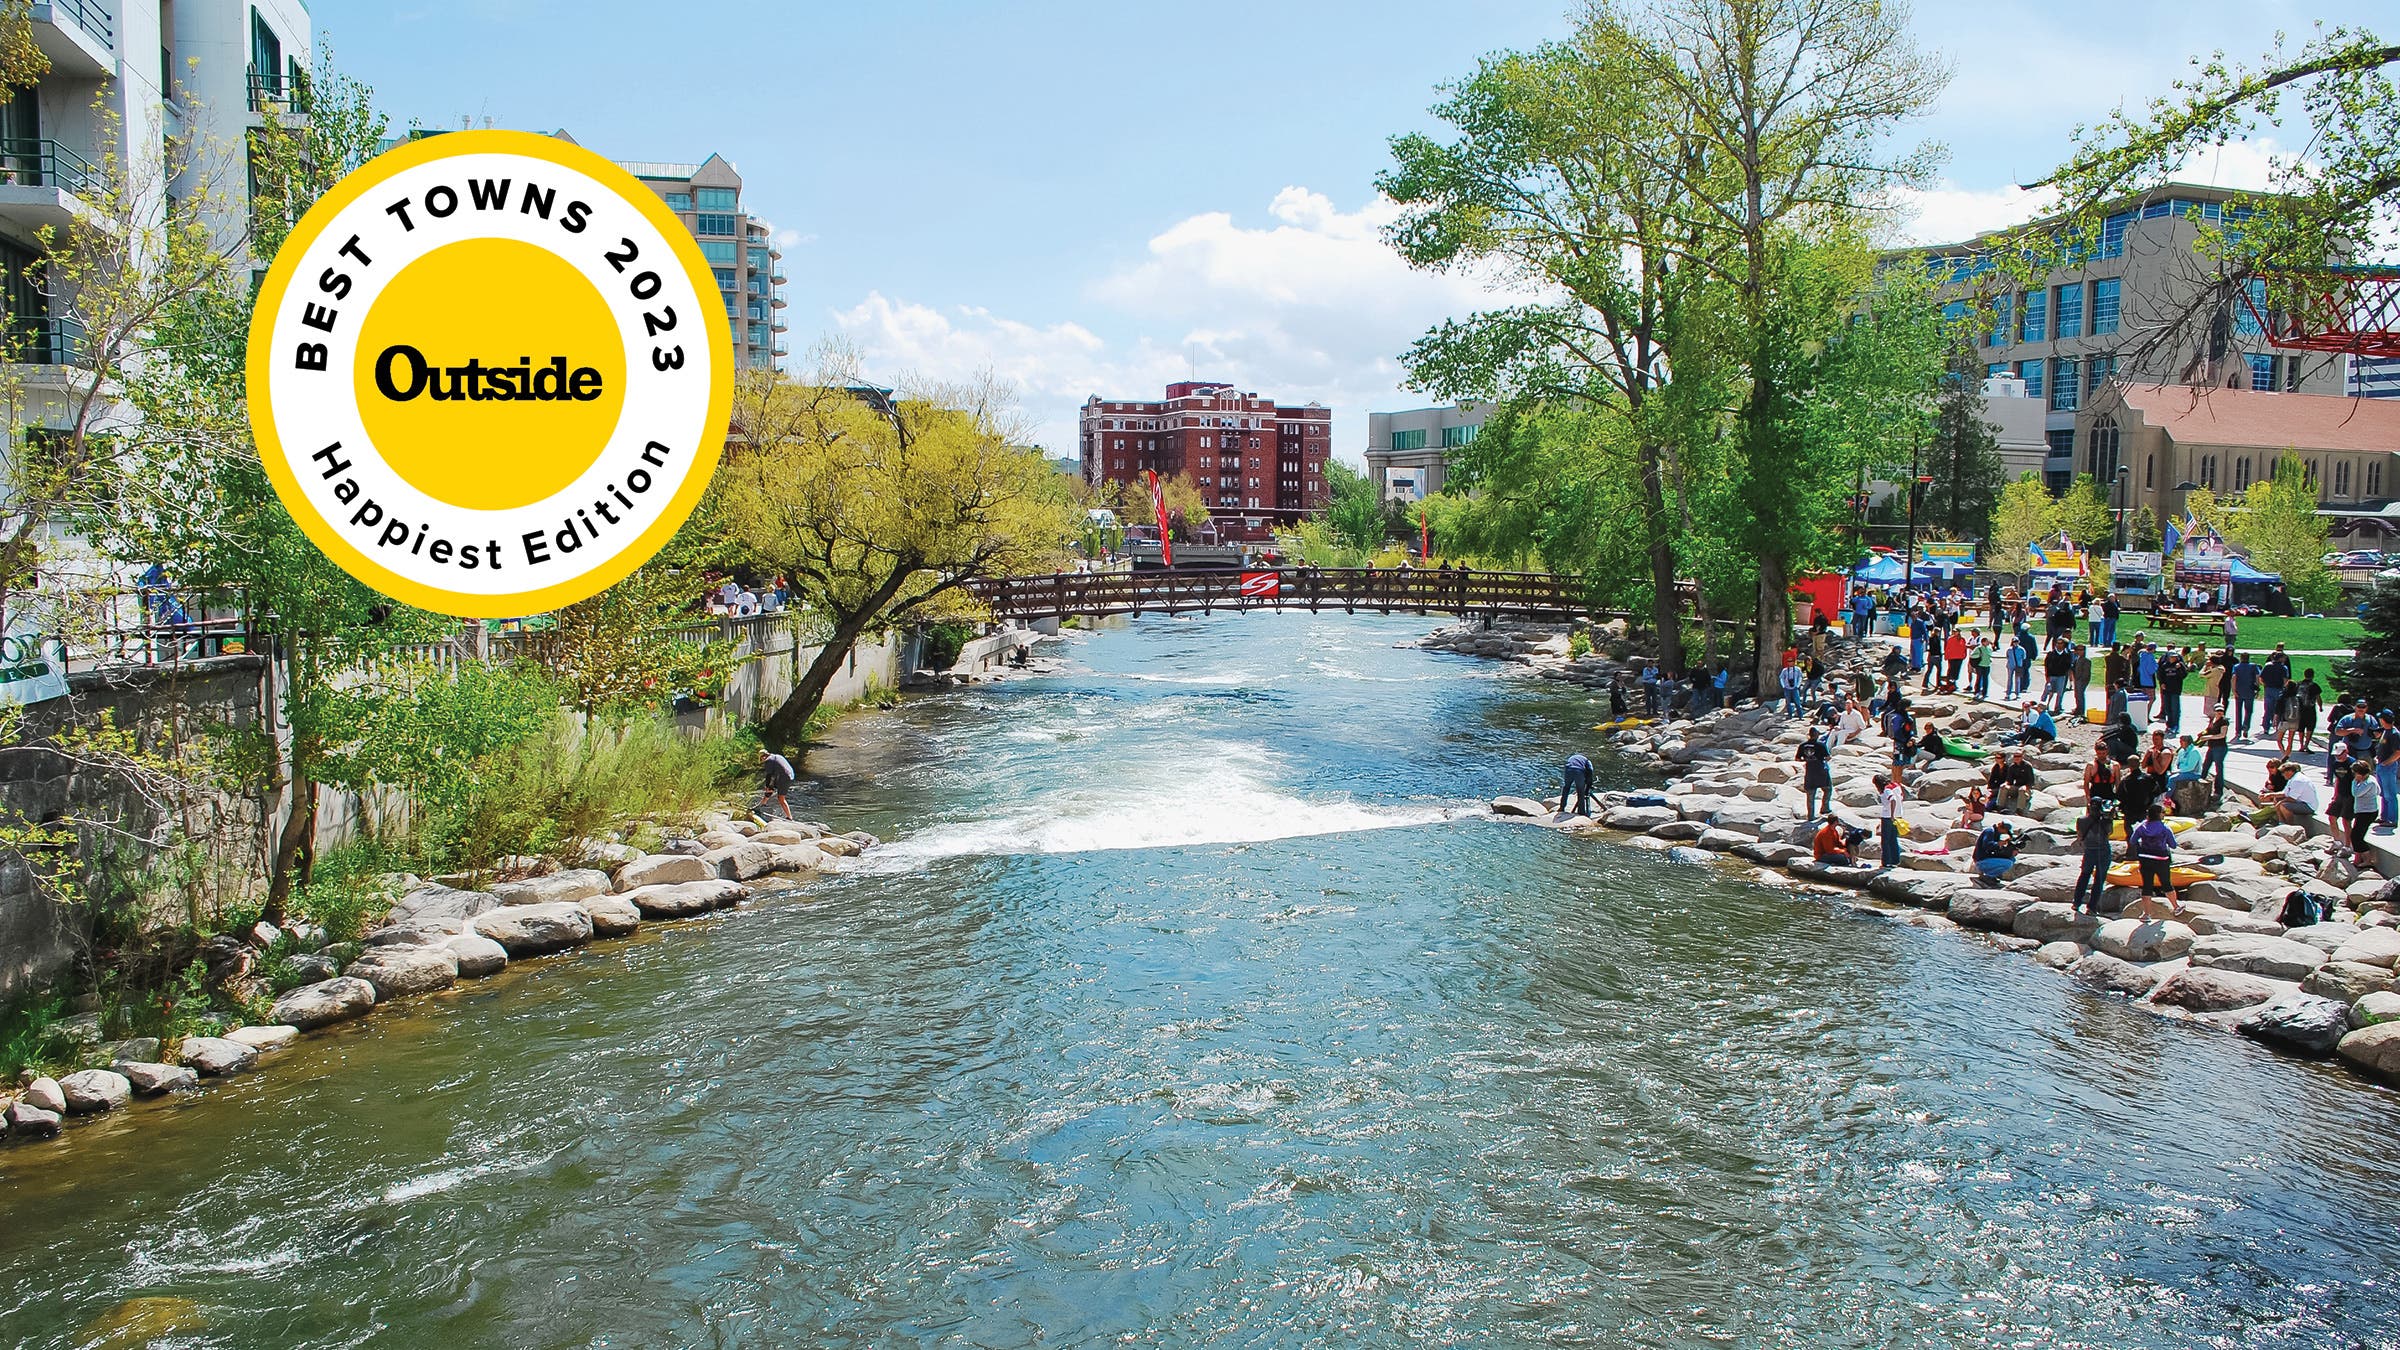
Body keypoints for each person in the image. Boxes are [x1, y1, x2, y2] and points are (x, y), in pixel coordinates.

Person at [2126, 804, 2181, 919]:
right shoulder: (2165, 828)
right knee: (2166, 884)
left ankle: (2146, 914)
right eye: (2163, 812)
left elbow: (2132, 841)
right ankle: (2176, 907)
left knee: (2147, 886)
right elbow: (2173, 845)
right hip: (2161, 860)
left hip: (2145, 859)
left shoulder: (2141, 827)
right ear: (2159, 814)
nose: (2164, 814)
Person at [2071, 804, 2117, 915]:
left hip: (2089, 851)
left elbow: (2080, 834)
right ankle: (2092, 907)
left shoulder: (2081, 820)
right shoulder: (2105, 821)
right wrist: (2109, 818)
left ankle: (2076, 902)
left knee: (2084, 876)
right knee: (2099, 880)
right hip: (2103, 851)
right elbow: (2110, 832)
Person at [2346, 757, 2381, 860]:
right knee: (2357, 835)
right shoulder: (2365, 780)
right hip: (2362, 811)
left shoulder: (2369, 782)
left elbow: (2355, 793)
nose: (2354, 775)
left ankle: (2368, 859)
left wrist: (2354, 782)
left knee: (2356, 837)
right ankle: (2359, 858)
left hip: (2368, 812)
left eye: (2355, 773)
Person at [1798, 729, 1834, 817]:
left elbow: (1798, 758)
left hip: (1810, 772)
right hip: (1821, 771)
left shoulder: (1803, 745)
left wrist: (1808, 759)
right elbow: (1828, 757)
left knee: (1810, 794)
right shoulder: (1820, 745)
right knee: (1828, 789)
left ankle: (1810, 815)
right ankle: (1825, 808)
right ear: (1817, 735)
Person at [1990, 748, 2036, 814]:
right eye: (2015, 756)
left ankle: (2019, 810)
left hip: (2026, 789)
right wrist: (2005, 784)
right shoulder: (2012, 767)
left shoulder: (2027, 766)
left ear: (2022, 757)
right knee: (2003, 787)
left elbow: (2031, 781)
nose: (2016, 758)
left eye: (2018, 756)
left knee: (2021, 790)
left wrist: (2026, 787)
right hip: (2016, 787)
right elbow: (2009, 780)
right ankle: (1999, 807)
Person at [2201, 711, 2231, 803]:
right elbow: (2208, 730)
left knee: (2219, 768)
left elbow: (2222, 734)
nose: (2219, 713)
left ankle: (2218, 791)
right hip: (2212, 747)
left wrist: (2209, 737)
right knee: (2206, 765)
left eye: (2221, 711)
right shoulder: (2212, 720)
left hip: (2220, 747)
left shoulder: (2224, 721)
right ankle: (2201, 782)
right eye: (2217, 711)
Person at [759, 748, 797, 820]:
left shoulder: (769, 761)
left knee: (781, 798)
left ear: (763, 756)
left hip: (785, 778)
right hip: (790, 775)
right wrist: (770, 787)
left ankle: (789, 817)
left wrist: (767, 786)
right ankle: (762, 804)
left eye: (762, 759)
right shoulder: (777, 756)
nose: (763, 761)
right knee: (771, 788)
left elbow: (769, 775)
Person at [1875, 773, 1904, 870]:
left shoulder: (1887, 789)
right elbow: (1901, 798)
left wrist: (1891, 814)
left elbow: (1893, 800)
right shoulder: (1896, 786)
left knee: (1886, 840)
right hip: (1898, 815)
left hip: (1888, 816)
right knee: (1893, 839)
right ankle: (1895, 860)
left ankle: (1886, 861)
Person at [2379, 708, 2400, 831]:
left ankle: (2392, 819)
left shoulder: (2394, 734)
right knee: (2383, 794)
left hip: (2388, 767)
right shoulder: (2386, 731)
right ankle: (2384, 817)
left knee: (2390, 794)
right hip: (2381, 765)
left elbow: (2397, 753)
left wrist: (2386, 763)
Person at [2157, 647, 2187, 733]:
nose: (2173, 658)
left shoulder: (2180, 664)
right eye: (2172, 657)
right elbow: (2160, 675)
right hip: (2166, 690)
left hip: (2175, 689)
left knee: (2175, 708)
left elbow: (2184, 675)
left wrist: (2179, 668)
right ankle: (2169, 725)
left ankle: (2176, 725)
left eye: (2175, 657)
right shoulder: (2164, 665)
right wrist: (2162, 683)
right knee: (2167, 708)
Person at [2232, 651, 2260, 739]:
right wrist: (2257, 688)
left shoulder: (2236, 666)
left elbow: (2233, 678)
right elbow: (2257, 677)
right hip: (2249, 690)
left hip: (2239, 690)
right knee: (2249, 710)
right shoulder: (2253, 666)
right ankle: (2246, 727)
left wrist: (2233, 690)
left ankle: (2238, 731)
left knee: (2238, 711)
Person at [1561, 752, 1596, 817]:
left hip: (1568, 769)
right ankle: (1581, 812)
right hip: (1578, 771)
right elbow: (1590, 770)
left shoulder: (1572, 757)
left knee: (1566, 788)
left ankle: (1562, 807)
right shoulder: (1586, 760)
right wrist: (1589, 783)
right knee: (1580, 792)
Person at [1970, 632, 1993, 699]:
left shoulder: (1989, 649)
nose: (1988, 643)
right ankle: (1977, 692)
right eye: (1987, 642)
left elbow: (1990, 655)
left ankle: (1984, 693)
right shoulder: (1978, 648)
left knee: (1986, 680)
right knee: (1979, 679)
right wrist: (1979, 655)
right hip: (1980, 665)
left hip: (1987, 665)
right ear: (1983, 642)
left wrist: (1990, 659)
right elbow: (1972, 655)